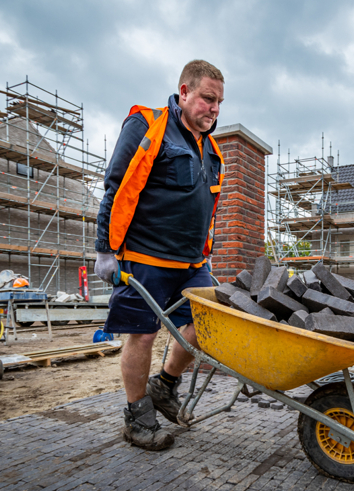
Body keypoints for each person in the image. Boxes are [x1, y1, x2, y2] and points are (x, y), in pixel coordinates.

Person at [93, 60, 225, 450]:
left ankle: (165, 385)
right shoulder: (147, 126)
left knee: (209, 324)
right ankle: (137, 417)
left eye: (219, 102)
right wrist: (105, 249)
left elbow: (206, 210)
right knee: (142, 335)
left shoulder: (212, 149)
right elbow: (116, 188)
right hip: (145, 257)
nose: (214, 109)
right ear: (184, 92)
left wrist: (206, 253)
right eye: (207, 98)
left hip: (192, 265)